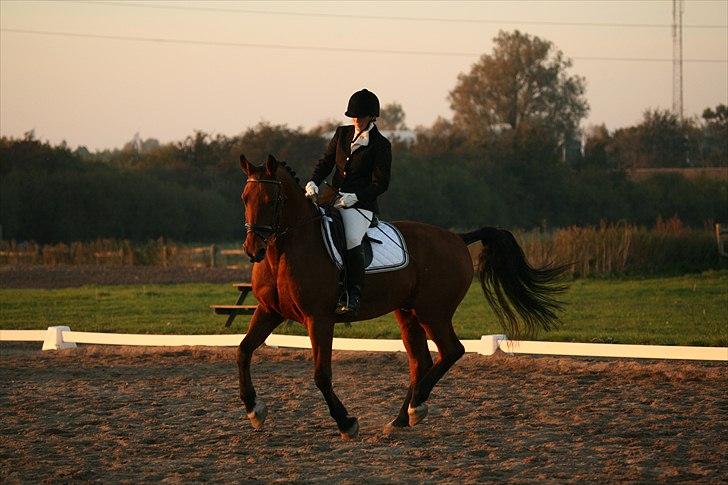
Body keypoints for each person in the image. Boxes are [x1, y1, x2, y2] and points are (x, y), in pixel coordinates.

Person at [305, 89, 392, 315]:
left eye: (360, 116)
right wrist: (313, 181)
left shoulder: (381, 144)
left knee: (352, 239)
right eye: (353, 116)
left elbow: (381, 183)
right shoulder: (342, 134)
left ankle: (352, 296)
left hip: (361, 205)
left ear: (372, 117)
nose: (356, 120)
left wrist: (356, 196)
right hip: (331, 196)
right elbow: (325, 163)